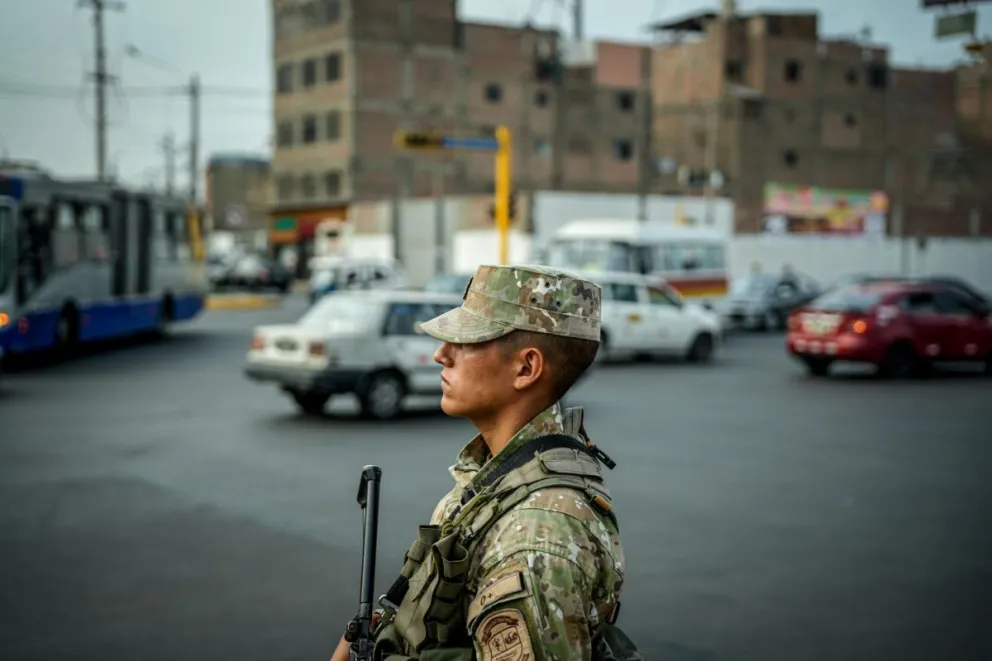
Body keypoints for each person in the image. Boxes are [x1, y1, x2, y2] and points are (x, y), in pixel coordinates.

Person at [329, 263, 639, 661]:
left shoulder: (534, 538)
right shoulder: (502, 473)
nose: (442, 354)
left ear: (526, 368)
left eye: (467, 341)